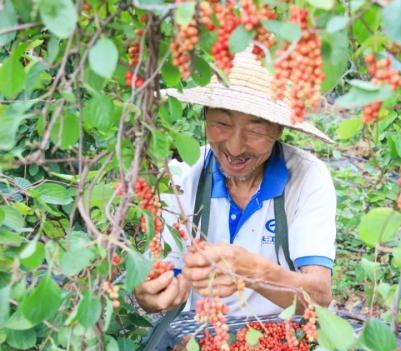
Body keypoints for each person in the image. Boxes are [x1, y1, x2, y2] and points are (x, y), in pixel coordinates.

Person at [133, 48, 336, 317]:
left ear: (278, 129)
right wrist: (150, 292)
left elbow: (319, 296)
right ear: (205, 116)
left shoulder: (307, 177)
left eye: (254, 130)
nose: (235, 147)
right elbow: (164, 270)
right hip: (199, 337)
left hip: (282, 339)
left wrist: (253, 271)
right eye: (222, 124)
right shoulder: (182, 176)